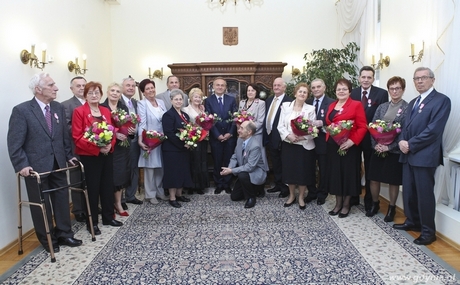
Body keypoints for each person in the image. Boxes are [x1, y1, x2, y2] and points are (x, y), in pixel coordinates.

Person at [7, 73, 82, 252]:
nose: (56, 88)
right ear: (38, 89)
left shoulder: (57, 107)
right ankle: (48, 239)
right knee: (42, 205)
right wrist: (21, 165)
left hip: (58, 163)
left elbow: (64, 136)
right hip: (35, 168)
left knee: (63, 200)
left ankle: (65, 234)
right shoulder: (22, 110)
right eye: (51, 85)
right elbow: (14, 143)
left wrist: (69, 155)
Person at [394, 67, 451, 246]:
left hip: (425, 156)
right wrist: (402, 141)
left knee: (425, 195)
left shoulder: (442, 100)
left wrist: (411, 144)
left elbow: (433, 131)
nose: (419, 81)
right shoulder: (413, 102)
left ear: (432, 80)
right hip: (408, 154)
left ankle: (428, 231)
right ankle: (413, 221)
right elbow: (405, 127)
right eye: (416, 78)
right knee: (409, 192)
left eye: (423, 78)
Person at [72, 81, 122, 235]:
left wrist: (109, 146)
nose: (94, 95)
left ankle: (108, 217)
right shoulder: (79, 111)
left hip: (107, 155)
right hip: (90, 156)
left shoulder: (105, 111)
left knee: (107, 186)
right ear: (85, 95)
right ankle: (92, 222)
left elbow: (113, 131)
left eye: (97, 93)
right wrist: (97, 147)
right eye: (90, 93)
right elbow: (77, 137)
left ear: (101, 95)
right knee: (92, 189)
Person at [366, 76, 408, 221]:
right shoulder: (382, 106)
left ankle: (391, 208)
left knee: (393, 181)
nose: (395, 91)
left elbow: (405, 132)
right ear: (388, 90)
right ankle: (375, 203)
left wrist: (389, 146)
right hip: (378, 149)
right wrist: (376, 145)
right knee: (373, 179)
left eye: (398, 88)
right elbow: (372, 126)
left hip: (394, 151)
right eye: (392, 88)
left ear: (403, 89)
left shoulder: (407, 108)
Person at [326, 79, 367, 218]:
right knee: (336, 174)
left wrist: (351, 141)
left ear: (349, 91)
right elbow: (330, 123)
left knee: (348, 175)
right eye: (338, 89)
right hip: (333, 146)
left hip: (350, 147)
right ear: (335, 91)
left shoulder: (356, 105)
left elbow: (362, 126)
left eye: (344, 89)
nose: (341, 91)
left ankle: (346, 205)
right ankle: (338, 204)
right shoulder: (332, 105)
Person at [350, 66, 388, 211]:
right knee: (354, 167)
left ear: (373, 79)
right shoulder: (351, 93)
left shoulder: (382, 93)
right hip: (353, 137)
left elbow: (383, 117)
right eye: (363, 77)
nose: (366, 80)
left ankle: (370, 200)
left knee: (370, 169)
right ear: (359, 78)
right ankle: (354, 196)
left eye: (369, 77)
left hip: (371, 138)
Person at [277, 83, 317, 210]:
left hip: (304, 146)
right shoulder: (285, 106)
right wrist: (289, 136)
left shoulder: (310, 109)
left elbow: (313, 129)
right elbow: (280, 126)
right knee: (290, 172)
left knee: (302, 173)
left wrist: (302, 137)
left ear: (307, 95)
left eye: (305, 92)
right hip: (289, 144)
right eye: (300, 91)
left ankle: (301, 197)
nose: (302, 94)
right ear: (295, 93)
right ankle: (291, 196)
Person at [101, 83, 132, 216]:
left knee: (120, 176)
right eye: (112, 90)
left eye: (118, 91)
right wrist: (114, 134)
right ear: (107, 92)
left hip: (121, 148)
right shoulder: (102, 107)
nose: (115, 93)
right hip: (107, 147)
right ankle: (108, 205)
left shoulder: (123, 107)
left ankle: (118, 203)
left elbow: (128, 124)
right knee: (108, 177)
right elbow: (99, 127)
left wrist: (131, 131)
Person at [221, 121, 268, 208]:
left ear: (249, 132)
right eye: (239, 128)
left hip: (255, 172)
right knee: (235, 197)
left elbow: (250, 167)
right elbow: (235, 156)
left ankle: (251, 198)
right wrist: (229, 168)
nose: (239, 130)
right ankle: (255, 189)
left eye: (242, 128)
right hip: (245, 171)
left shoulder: (255, 146)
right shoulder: (240, 139)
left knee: (242, 175)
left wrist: (231, 171)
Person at [204, 77, 238, 194]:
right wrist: (217, 135)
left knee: (228, 160)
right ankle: (219, 183)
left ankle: (227, 183)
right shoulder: (208, 101)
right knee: (217, 161)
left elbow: (235, 118)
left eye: (222, 85)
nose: (220, 87)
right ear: (213, 87)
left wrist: (230, 133)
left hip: (230, 137)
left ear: (225, 87)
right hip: (215, 137)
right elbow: (208, 120)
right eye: (217, 85)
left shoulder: (231, 100)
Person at [61, 76, 87, 222]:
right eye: (78, 86)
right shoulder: (66, 105)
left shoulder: (92, 103)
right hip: (75, 149)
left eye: (84, 85)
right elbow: (66, 127)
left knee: (90, 179)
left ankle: (91, 205)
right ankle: (78, 210)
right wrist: (87, 132)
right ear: (72, 89)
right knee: (77, 180)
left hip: (92, 149)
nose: (82, 88)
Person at [305, 78, 335, 205]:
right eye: (313, 87)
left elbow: (335, 121)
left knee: (324, 168)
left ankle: (322, 193)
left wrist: (323, 123)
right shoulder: (307, 102)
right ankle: (311, 192)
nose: (316, 89)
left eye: (318, 87)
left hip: (324, 140)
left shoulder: (332, 103)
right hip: (308, 140)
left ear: (324, 88)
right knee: (309, 167)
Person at [137, 79, 167, 204]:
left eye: (152, 87)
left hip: (162, 139)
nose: (151, 90)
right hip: (149, 139)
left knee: (160, 166)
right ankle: (150, 194)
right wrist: (140, 139)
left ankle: (160, 191)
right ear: (143, 92)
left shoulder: (160, 102)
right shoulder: (142, 103)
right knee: (150, 167)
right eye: (147, 89)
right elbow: (142, 122)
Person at [161, 89, 193, 208]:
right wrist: (182, 144)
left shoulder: (185, 115)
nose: (179, 101)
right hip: (171, 150)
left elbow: (189, 131)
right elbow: (169, 133)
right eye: (176, 99)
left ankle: (179, 194)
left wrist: (190, 141)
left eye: (180, 99)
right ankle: (172, 197)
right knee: (173, 173)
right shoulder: (168, 115)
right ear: (171, 101)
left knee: (182, 171)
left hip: (183, 149)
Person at [264, 77, 293, 198]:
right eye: (275, 85)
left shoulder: (289, 101)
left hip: (282, 138)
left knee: (283, 163)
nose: (276, 87)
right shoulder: (269, 100)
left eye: (279, 85)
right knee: (275, 161)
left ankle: (284, 188)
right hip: (270, 136)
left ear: (284, 87)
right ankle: (277, 184)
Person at [239, 83, 268, 196]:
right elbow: (239, 118)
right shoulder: (242, 103)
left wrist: (249, 130)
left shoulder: (261, 103)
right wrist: (241, 129)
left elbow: (260, 121)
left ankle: (260, 186)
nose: (250, 92)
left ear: (256, 92)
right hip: (244, 135)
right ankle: (247, 183)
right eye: (248, 90)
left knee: (259, 160)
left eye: (252, 90)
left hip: (256, 134)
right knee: (247, 159)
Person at [182, 87, 210, 194]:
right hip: (192, 139)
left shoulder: (203, 110)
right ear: (191, 98)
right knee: (193, 162)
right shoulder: (186, 109)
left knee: (202, 161)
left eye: (199, 97)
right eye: (196, 97)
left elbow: (207, 124)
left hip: (203, 139)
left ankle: (200, 186)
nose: (197, 99)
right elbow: (186, 125)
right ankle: (191, 186)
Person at [120, 77, 143, 206]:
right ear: (122, 87)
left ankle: (131, 195)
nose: (130, 88)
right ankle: (121, 198)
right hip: (122, 141)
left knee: (134, 168)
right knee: (123, 169)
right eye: (128, 85)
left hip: (134, 140)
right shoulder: (117, 102)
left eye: (133, 86)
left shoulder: (134, 102)